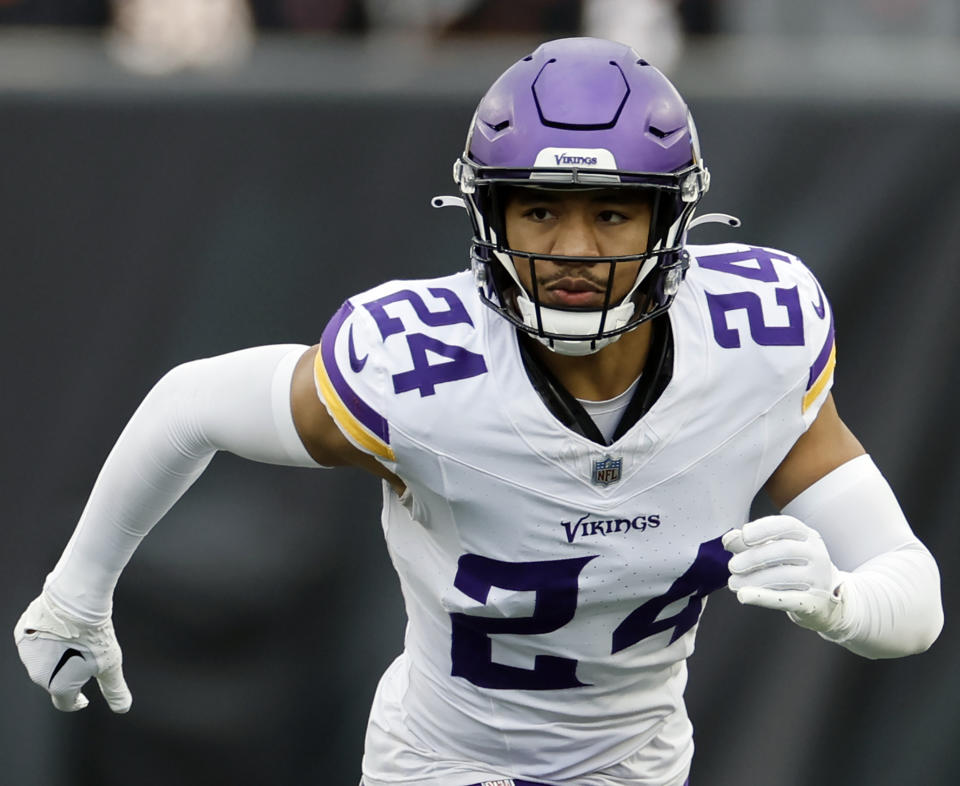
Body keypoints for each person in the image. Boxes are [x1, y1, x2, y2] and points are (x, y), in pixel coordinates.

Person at [14, 37, 943, 786]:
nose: (575, 249)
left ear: (672, 222)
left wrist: (839, 603)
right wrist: (76, 594)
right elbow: (192, 403)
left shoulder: (754, 353)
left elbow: (915, 596)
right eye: (539, 211)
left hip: (638, 766)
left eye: (613, 214)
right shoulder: (423, 372)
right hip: (443, 762)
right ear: (487, 218)